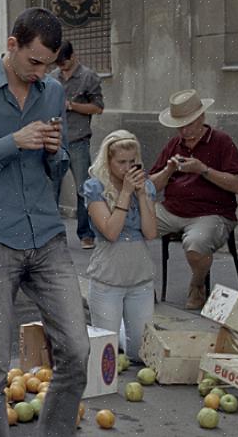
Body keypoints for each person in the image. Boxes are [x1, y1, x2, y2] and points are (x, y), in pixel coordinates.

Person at [0, 7, 89, 436]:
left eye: (48, 64)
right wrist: (13, 142)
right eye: (34, 61)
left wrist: (53, 153)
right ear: (12, 45)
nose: (41, 72)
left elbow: (55, 169)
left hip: (46, 236)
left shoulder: (52, 91)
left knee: (77, 351)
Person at [148, 89, 238, 309]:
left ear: (201, 117)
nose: (184, 131)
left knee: (196, 244)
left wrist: (203, 170)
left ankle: (198, 285)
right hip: (172, 210)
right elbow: (150, 187)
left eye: (188, 124)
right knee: (131, 226)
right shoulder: (174, 144)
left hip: (211, 213)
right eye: (179, 126)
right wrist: (168, 170)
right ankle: (141, 287)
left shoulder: (221, 141)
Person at [83, 130, 157, 362]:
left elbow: (151, 232)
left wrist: (142, 195)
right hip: (108, 279)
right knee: (107, 355)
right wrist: (125, 192)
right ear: (108, 161)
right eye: (121, 162)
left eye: (132, 162)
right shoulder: (95, 187)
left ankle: (125, 333)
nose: (128, 168)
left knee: (138, 355)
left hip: (140, 278)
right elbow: (111, 232)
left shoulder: (146, 186)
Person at [51, 41, 105, 250]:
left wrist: (72, 105)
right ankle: (53, 235)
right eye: (59, 65)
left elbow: (98, 108)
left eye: (65, 64)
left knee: (84, 188)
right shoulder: (52, 78)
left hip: (78, 140)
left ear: (74, 56)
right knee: (51, 189)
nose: (62, 68)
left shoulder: (88, 76)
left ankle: (86, 233)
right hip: (55, 139)